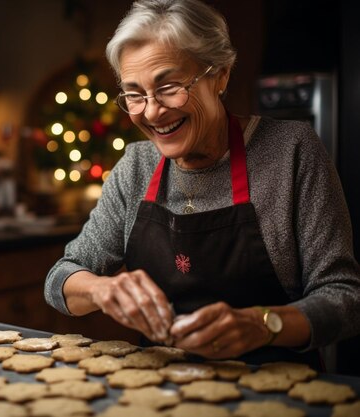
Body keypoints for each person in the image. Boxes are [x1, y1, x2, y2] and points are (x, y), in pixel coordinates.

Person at [44, 0, 360, 367]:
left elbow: (346, 298)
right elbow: (60, 279)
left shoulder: (292, 150)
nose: (151, 111)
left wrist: (263, 325)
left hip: (277, 392)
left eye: (169, 87)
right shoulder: (135, 166)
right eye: (134, 94)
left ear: (221, 75)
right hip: (159, 390)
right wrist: (102, 289)